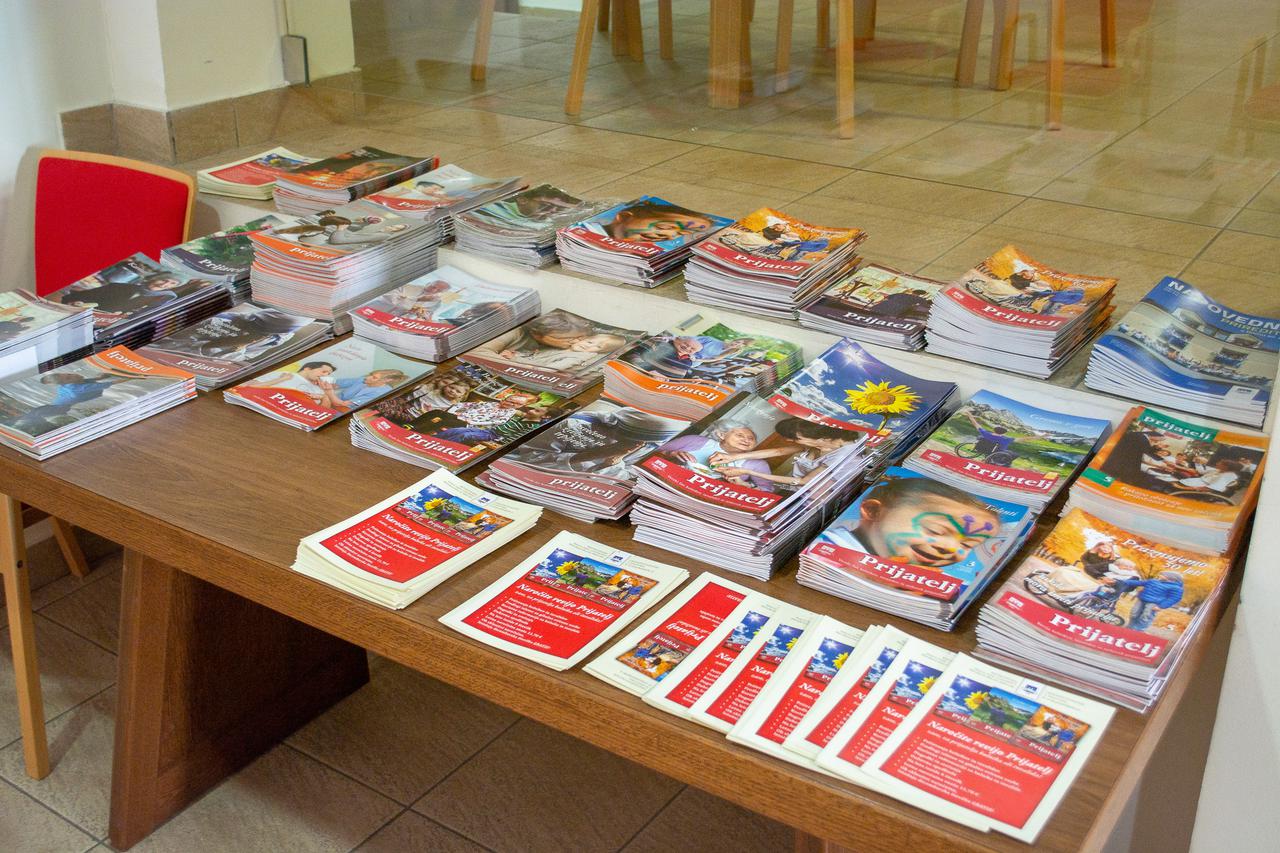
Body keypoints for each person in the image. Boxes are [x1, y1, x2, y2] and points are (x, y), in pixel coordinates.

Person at [820, 475, 1001, 570]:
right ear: (873, 511)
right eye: (935, 531)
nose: (951, 548)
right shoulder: (826, 547)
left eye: (968, 545)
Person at [708, 418, 862, 490]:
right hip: (794, 491)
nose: (790, 441)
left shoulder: (843, 455)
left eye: (796, 439)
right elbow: (779, 451)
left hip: (813, 500)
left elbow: (803, 481)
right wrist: (734, 457)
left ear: (823, 438)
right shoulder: (818, 443)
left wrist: (747, 471)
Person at [1, 371, 135, 436]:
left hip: (53, 407)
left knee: (32, 416)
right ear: (65, 382)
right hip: (56, 408)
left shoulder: (68, 385)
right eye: (68, 376)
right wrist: (132, 377)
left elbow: (83, 381)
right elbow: (110, 383)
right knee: (33, 418)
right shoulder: (77, 388)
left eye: (68, 374)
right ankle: (14, 426)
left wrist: (99, 377)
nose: (71, 374)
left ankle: (13, 425)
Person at [657, 422, 776, 491]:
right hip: (666, 483)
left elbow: (768, 492)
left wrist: (746, 485)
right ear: (721, 435)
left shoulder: (757, 464)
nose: (746, 440)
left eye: (751, 438)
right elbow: (653, 450)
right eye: (740, 435)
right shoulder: (694, 440)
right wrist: (671, 454)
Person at [593, 200, 720, 244]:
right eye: (665, 226)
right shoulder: (590, 232)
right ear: (625, 217)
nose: (670, 235)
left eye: (681, 234)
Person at [504, 332, 629, 372]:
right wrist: (516, 355)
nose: (589, 346)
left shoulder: (578, 357)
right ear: (582, 338)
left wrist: (516, 359)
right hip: (526, 362)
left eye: (598, 347)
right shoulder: (563, 346)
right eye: (590, 342)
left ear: (600, 353)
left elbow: (549, 368)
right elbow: (536, 355)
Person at [1115, 571, 1185, 631]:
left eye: (1162, 574)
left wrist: (1161, 606)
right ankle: (1130, 627)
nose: (1160, 575)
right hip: (1142, 599)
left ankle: (1139, 629)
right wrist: (1122, 581)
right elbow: (1139, 583)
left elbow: (1174, 598)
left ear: (1171, 577)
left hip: (1154, 603)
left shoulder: (1176, 588)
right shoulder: (1153, 581)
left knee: (1146, 616)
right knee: (1134, 613)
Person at [240, 361, 335, 403]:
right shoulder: (282, 374)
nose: (325, 375)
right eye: (324, 371)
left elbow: (323, 412)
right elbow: (247, 387)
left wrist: (325, 396)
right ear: (307, 368)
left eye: (328, 374)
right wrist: (281, 379)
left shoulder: (319, 390)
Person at [320, 368, 409, 411]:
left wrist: (329, 393)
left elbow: (342, 405)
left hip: (345, 411)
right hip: (333, 402)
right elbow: (337, 384)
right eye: (371, 375)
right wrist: (323, 381)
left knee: (325, 398)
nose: (368, 377)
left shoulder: (382, 393)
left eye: (374, 377)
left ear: (386, 380)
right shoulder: (364, 379)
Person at [867, 288, 933, 321]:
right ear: (921, 295)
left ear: (912, 292)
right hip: (891, 312)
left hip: (878, 307)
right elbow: (927, 306)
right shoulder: (919, 299)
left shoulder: (900, 294)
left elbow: (887, 298)